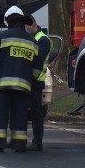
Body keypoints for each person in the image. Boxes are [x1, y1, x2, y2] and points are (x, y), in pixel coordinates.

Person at [0, 6, 42, 153]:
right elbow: (37, 68)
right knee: (20, 115)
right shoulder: (32, 41)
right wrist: (30, 81)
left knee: (0, 114)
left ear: (9, 21)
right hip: (24, 87)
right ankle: (19, 144)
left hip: (2, 85)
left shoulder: (2, 36)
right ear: (22, 22)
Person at [23, 15, 50, 152]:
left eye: (26, 26)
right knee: (21, 111)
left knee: (36, 113)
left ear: (32, 24)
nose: (25, 29)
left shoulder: (43, 40)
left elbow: (36, 60)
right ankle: (20, 140)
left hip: (36, 81)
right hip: (26, 80)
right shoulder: (31, 38)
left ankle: (37, 141)